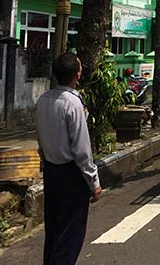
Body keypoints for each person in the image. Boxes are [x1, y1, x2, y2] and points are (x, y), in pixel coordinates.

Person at [36, 53, 101, 265]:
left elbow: (40, 138)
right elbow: (82, 149)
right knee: (70, 235)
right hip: (71, 174)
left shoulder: (43, 100)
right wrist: (93, 181)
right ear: (77, 74)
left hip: (51, 171)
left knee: (54, 230)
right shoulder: (73, 103)